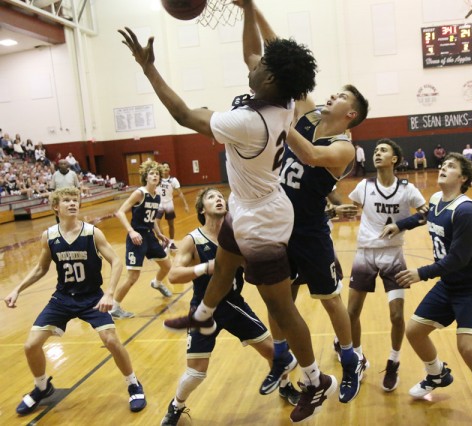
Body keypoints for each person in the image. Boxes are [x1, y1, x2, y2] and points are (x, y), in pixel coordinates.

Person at [119, 1, 329, 422]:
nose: (253, 62)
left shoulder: (249, 122)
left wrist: (148, 68)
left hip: (264, 219)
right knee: (224, 265)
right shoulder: (281, 97)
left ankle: (314, 379)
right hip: (250, 204)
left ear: (270, 78)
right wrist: (248, 7)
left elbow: (182, 114)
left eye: (262, 65)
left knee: (281, 307)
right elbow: (252, 52)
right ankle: (203, 316)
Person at [247, 1, 369, 405]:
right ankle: (281, 357)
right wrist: (251, 8)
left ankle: (350, 360)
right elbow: (282, 54)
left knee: (330, 299)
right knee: (278, 297)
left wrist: (281, 123)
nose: (332, 95)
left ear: (351, 113)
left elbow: (311, 156)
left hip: (310, 230)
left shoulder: (343, 147)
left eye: (341, 96)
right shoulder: (308, 112)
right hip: (277, 221)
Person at [381, 153, 472, 426]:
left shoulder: (467, 211)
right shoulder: (438, 199)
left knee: (469, 349)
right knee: (414, 331)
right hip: (449, 284)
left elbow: (459, 259)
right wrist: (398, 225)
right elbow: (424, 216)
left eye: (450, 166)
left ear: (463, 178)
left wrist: (421, 273)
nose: (443, 168)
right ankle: (437, 374)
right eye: (443, 164)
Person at [161, 188, 300, 425]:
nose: (218, 199)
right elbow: (174, 275)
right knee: (196, 373)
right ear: (201, 210)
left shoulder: (236, 237)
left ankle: (285, 386)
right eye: (211, 197)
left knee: (274, 352)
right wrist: (206, 267)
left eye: (220, 197)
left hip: (234, 305)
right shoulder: (193, 239)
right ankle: (176, 406)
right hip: (203, 309)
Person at [3, 187, 147, 416]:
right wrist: (17, 289)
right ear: (55, 207)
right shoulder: (49, 236)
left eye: (75, 200)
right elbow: (41, 268)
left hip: (92, 297)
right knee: (31, 345)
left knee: (111, 340)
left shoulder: (92, 233)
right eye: (67, 200)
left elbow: (116, 261)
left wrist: (110, 293)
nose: (72, 203)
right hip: (63, 298)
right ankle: (42, 386)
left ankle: (133, 383)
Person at [347, 139, 426, 393]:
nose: (377, 153)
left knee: (396, 316)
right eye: (376, 150)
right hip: (365, 253)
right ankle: (357, 358)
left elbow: (426, 214)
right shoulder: (364, 186)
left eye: (383, 150)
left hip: (393, 255)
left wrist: (400, 225)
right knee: (351, 313)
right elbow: (350, 208)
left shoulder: (407, 189)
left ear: (394, 159)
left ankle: (394, 361)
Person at [109, 160, 172, 319]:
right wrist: (131, 232)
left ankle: (156, 283)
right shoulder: (139, 193)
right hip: (136, 237)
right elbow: (120, 212)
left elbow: (152, 219)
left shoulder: (157, 196)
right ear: (145, 177)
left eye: (157, 174)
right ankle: (114, 308)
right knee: (133, 277)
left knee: (167, 266)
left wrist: (159, 233)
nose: (155, 176)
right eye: (151, 173)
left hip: (150, 236)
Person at [156, 161, 189, 251]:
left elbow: (180, 193)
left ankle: (172, 242)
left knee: (171, 224)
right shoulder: (157, 179)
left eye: (167, 167)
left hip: (169, 203)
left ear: (169, 169)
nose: (165, 169)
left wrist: (185, 204)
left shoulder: (173, 180)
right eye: (163, 167)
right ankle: (164, 241)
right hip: (159, 204)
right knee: (156, 223)